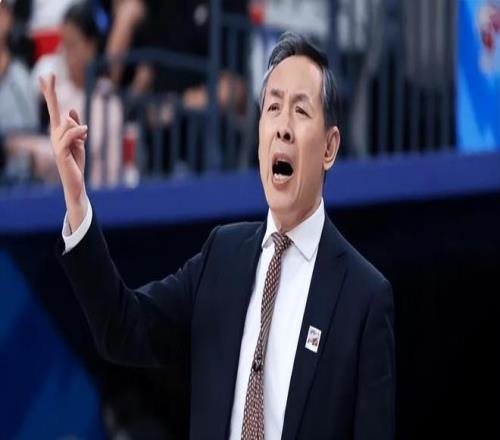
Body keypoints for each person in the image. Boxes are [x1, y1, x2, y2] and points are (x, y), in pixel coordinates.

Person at [41, 32, 395, 439]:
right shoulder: (222, 257)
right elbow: (122, 328)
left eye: (300, 111)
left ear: (329, 147)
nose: (282, 127)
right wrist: (76, 200)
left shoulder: (363, 297)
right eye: (273, 108)